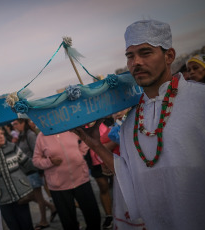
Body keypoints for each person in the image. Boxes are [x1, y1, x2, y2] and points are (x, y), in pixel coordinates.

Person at [73, 19, 205, 229]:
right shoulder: (132, 120)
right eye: (130, 56)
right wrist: (95, 144)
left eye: (145, 53)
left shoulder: (199, 100)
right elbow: (129, 174)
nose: (136, 62)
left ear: (169, 56)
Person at [33, 131, 101, 230]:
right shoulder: (42, 136)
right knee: (68, 222)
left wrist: (80, 152)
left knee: (93, 216)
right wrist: (50, 162)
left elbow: (86, 139)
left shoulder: (70, 128)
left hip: (81, 179)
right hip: (58, 186)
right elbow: (36, 160)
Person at [12, 118, 57, 229]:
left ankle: (44, 220)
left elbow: (37, 152)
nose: (14, 126)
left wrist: (40, 169)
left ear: (23, 123)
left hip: (34, 169)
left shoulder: (30, 135)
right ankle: (52, 208)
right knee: (34, 196)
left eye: (16, 123)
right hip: (27, 171)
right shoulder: (22, 135)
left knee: (37, 196)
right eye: (13, 124)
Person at [0, 127, 34, 230]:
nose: (1, 136)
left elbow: (27, 163)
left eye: (2, 134)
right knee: (13, 226)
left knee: (27, 225)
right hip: (2, 198)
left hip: (21, 194)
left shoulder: (12, 147)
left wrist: (43, 161)